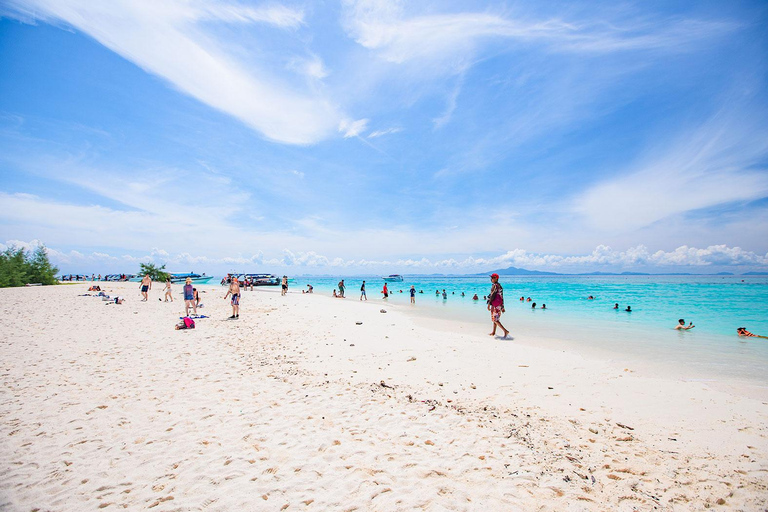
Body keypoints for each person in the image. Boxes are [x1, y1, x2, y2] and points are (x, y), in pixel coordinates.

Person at [487, 273, 509, 338]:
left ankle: (505, 331)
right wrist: (502, 306)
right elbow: (502, 297)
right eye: (491, 278)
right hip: (499, 305)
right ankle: (493, 332)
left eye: (493, 278)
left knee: (495, 320)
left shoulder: (494, 286)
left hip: (495, 305)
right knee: (496, 319)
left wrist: (489, 304)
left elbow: (492, 295)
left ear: (496, 278)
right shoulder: (500, 286)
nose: (491, 279)